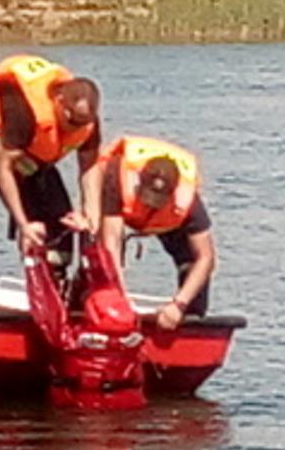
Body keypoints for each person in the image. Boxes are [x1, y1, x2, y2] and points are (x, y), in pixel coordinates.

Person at [0, 54, 101, 304]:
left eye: (80, 124)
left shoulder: (85, 119)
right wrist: (23, 224)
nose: (73, 129)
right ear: (59, 102)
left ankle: (53, 298)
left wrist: (90, 216)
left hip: (30, 154)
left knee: (60, 224)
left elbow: (90, 166)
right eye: (70, 121)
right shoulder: (25, 112)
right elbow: (1, 168)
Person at [80, 135, 216, 331]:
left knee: (192, 265)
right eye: (147, 198)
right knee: (98, 256)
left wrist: (179, 304)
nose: (150, 204)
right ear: (139, 182)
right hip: (119, 212)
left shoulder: (188, 202)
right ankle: (88, 306)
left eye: (157, 200)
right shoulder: (118, 178)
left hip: (167, 222)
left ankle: (186, 322)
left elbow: (206, 257)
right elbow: (111, 244)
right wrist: (119, 299)